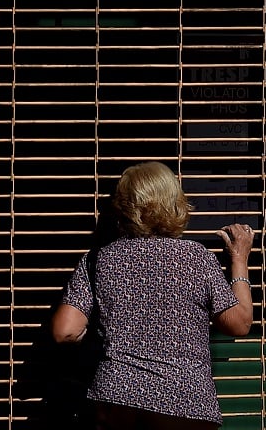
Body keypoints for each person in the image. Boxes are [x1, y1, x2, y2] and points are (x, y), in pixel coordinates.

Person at [51, 161, 255, 430]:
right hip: (186, 407)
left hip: (116, 402)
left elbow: (64, 331)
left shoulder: (98, 260)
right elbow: (239, 324)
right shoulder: (196, 258)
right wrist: (239, 260)